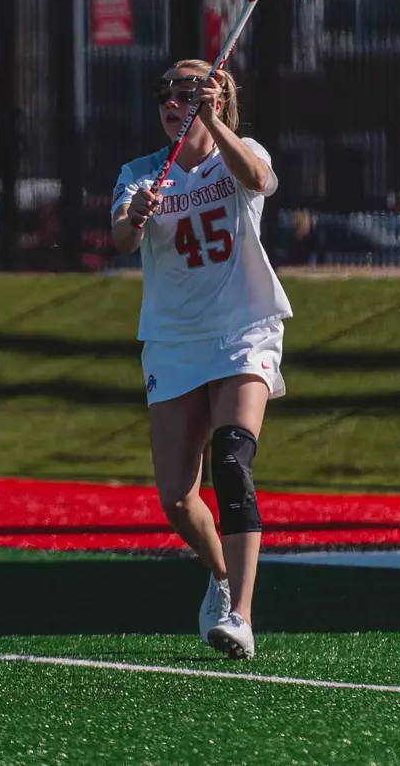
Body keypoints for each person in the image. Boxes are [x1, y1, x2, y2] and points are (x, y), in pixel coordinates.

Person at [111, 59, 292, 660]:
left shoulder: (239, 153)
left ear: (216, 97)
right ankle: (219, 579)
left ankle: (240, 615)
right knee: (177, 496)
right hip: (174, 341)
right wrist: (135, 216)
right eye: (166, 91)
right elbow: (121, 235)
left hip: (244, 331)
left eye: (188, 90)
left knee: (232, 461)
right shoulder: (141, 174)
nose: (173, 100)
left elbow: (260, 178)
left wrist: (214, 122)